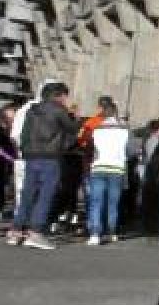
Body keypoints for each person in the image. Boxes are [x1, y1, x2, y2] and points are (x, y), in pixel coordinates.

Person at [9, 82, 82, 250]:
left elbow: (24, 134)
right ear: (60, 95)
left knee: (28, 193)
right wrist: (76, 118)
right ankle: (35, 232)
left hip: (31, 155)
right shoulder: (59, 110)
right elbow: (72, 130)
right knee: (45, 194)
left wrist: (25, 151)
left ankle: (16, 230)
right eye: (65, 96)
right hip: (50, 156)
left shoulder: (32, 110)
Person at [85, 98, 129, 245]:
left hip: (98, 167)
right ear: (116, 113)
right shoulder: (124, 129)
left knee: (96, 202)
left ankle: (94, 234)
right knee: (113, 203)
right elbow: (130, 150)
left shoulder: (97, 129)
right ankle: (111, 232)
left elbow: (91, 147)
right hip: (116, 169)